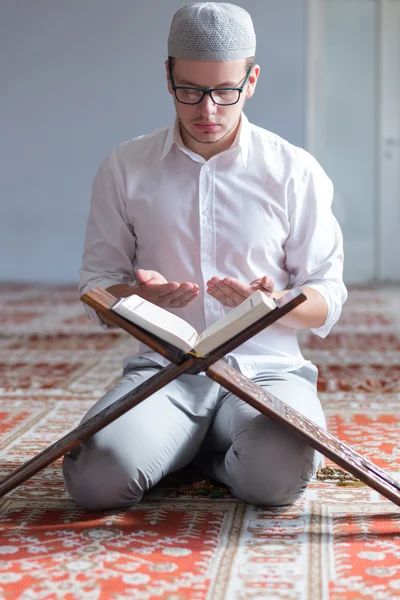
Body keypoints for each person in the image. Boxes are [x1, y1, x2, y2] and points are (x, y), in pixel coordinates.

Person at [62, 2, 347, 510]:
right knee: (95, 481)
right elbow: (95, 285)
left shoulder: (294, 171)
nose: (207, 110)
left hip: (267, 372)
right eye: (190, 90)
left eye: (224, 91)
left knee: (279, 477)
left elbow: (328, 294)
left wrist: (275, 303)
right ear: (168, 76)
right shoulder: (125, 167)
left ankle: (200, 460)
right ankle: (184, 443)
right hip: (165, 369)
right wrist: (137, 297)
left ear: (252, 80)